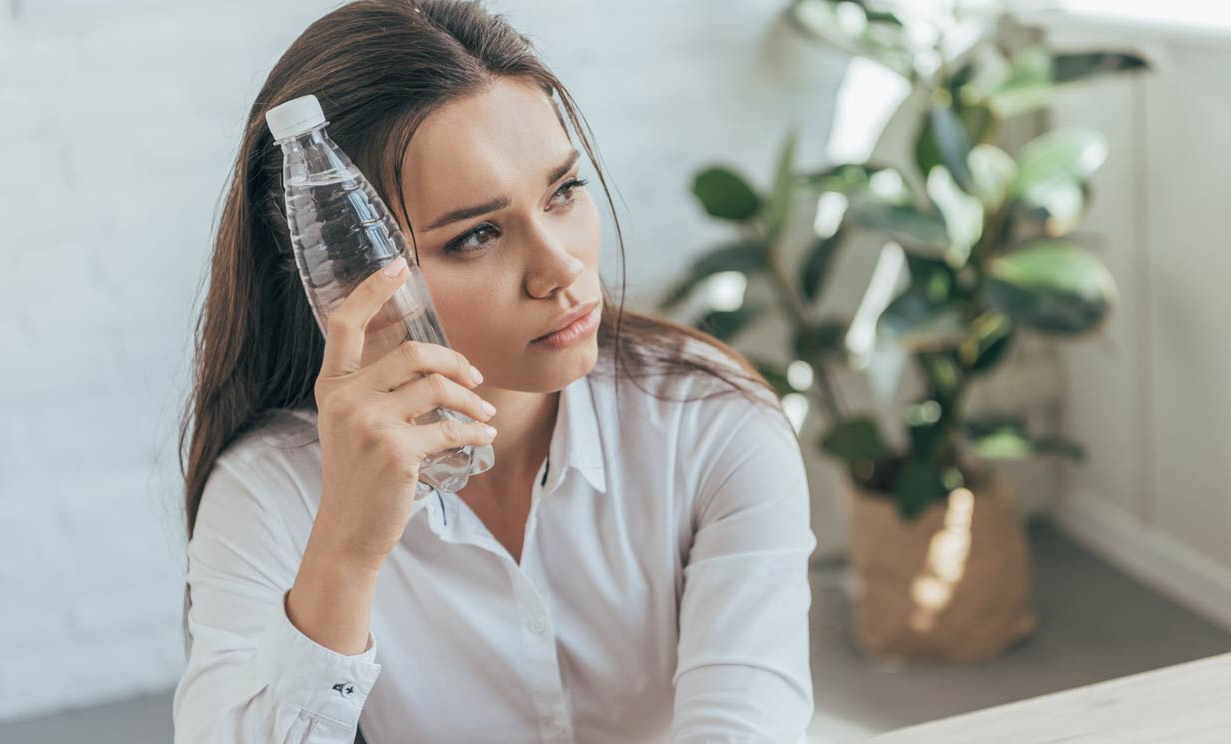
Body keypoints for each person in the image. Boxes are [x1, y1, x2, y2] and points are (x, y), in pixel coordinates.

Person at [173, 1, 816, 741]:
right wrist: (346, 553)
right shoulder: (270, 492)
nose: (559, 268)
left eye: (563, 192)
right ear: (339, 282)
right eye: (477, 235)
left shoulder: (711, 422)